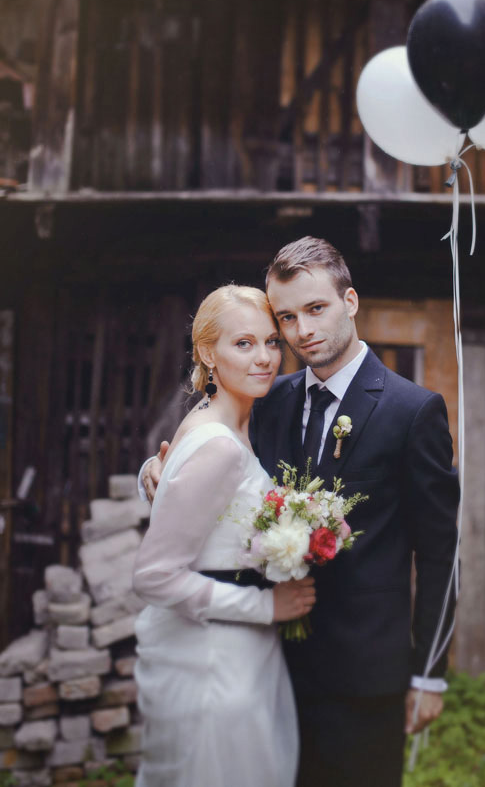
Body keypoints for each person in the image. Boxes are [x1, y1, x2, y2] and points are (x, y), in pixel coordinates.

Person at [141, 237, 460, 787]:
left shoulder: (414, 411)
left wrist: (429, 676)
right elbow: (220, 466)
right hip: (271, 663)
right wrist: (158, 469)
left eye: (316, 309)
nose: (301, 330)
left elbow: (439, 553)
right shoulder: (269, 398)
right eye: (286, 317)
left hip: (363, 675)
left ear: (350, 301)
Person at [132, 284, 315, 787]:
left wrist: (152, 474)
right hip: (216, 662)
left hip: (227, 652)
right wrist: (266, 607)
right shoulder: (222, 445)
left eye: (272, 342)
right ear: (208, 352)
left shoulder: (210, 418)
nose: (264, 358)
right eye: (244, 344)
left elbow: (190, 494)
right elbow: (153, 577)